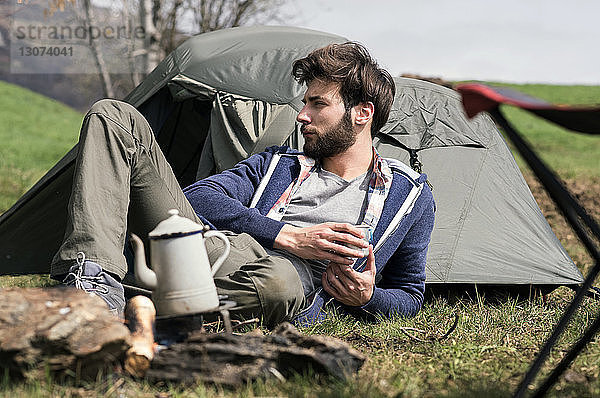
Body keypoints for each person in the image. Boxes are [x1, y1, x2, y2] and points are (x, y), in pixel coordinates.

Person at [53, 42, 435, 326]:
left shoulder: (409, 194)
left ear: (362, 114)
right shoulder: (278, 163)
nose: (301, 116)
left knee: (279, 283)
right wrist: (286, 236)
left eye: (318, 104)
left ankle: (140, 310)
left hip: (285, 284)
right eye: (304, 103)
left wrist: (367, 297)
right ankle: (92, 284)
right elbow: (198, 197)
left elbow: (409, 293)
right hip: (217, 250)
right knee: (114, 115)